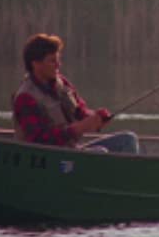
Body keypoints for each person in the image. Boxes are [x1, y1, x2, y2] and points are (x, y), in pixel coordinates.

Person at [12, 33, 140, 153]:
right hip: (49, 159)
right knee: (100, 153)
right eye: (52, 61)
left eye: (58, 60)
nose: (58, 65)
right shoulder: (25, 97)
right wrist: (77, 129)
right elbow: (38, 140)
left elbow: (79, 111)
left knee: (128, 139)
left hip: (73, 151)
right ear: (36, 64)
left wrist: (95, 118)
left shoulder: (61, 83)